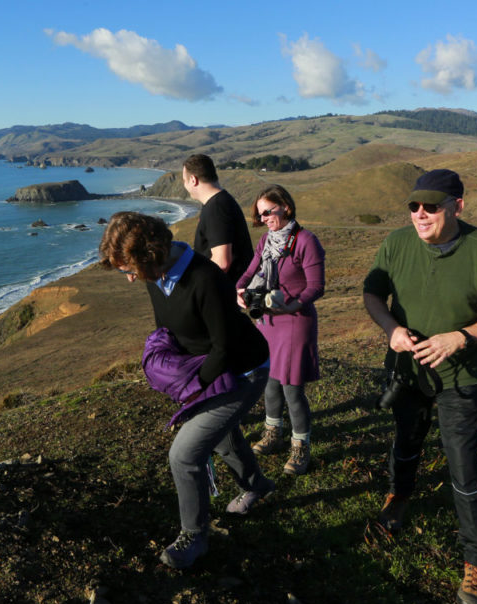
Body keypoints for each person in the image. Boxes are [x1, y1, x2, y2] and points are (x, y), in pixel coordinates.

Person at [362, 169, 477, 604]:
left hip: (461, 380)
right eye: (414, 206)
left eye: (431, 205)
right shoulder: (395, 243)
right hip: (407, 373)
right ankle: (400, 496)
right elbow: (372, 293)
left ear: (457, 206)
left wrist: (461, 338)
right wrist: (391, 329)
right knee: (406, 441)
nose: (420, 214)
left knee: (464, 466)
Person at [99, 211, 275, 569]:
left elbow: (223, 347)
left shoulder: (206, 279)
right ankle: (257, 485)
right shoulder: (157, 275)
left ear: (150, 256)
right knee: (224, 437)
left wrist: (192, 391)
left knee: (184, 454)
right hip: (210, 367)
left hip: (243, 370)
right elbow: (166, 327)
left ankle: (194, 536)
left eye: (129, 270)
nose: (131, 279)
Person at [236, 185, 325, 476]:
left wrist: (292, 306)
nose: (263, 218)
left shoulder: (306, 241)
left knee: (291, 387)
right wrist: (240, 288)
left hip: (295, 321)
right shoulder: (266, 241)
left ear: (285, 206)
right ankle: (273, 433)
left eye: (268, 212)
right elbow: (250, 271)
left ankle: (301, 446)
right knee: (270, 380)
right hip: (269, 322)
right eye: (259, 214)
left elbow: (316, 286)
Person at [182, 154, 254, 283]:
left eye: (184, 181)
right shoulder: (218, 202)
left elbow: (222, 263)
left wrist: (195, 285)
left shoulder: (216, 207)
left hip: (229, 292)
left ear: (193, 180)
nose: (185, 186)